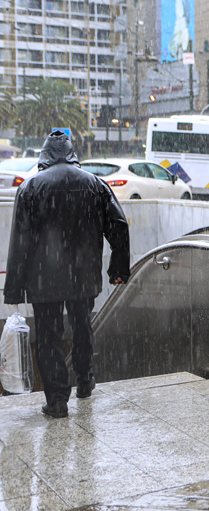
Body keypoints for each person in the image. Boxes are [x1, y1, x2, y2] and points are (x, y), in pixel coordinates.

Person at [3, 130, 130, 418]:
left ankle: (58, 400)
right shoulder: (95, 185)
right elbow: (119, 225)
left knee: (48, 336)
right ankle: (85, 380)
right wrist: (118, 269)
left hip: (43, 279)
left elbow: (20, 243)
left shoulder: (31, 187)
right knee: (82, 325)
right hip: (83, 275)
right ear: (73, 155)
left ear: (44, 157)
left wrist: (14, 287)